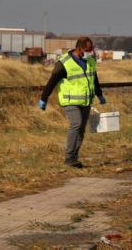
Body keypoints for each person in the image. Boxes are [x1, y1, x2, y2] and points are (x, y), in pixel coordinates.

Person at [38, 37, 106, 168]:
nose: (91, 52)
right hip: (69, 101)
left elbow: (94, 78)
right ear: (80, 49)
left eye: (92, 49)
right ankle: (69, 156)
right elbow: (52, 81)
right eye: (88, 49)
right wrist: (44, 98)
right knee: (77, 123)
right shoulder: (64, 62)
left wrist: (100, 94)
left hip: (85, 101)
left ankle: (74, 158)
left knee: (81, 129)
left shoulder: (90, 60)